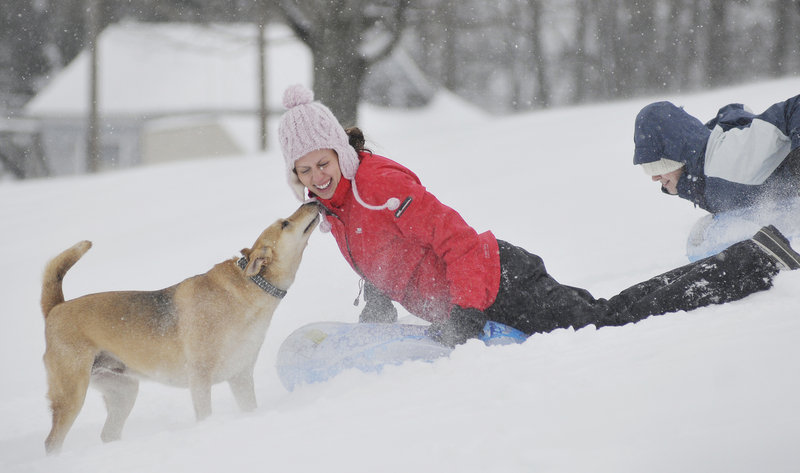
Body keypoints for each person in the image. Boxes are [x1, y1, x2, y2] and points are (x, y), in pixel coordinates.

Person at [278, 84, 800, 348]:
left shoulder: (377, 185)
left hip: (500, 281)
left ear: (339, 153)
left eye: (322, 163)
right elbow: (383, 250)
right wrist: (377, 295)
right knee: (602, 319)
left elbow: (457, 241)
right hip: (477, 297)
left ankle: (752, 262)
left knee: (608, 320)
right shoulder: (336, 206)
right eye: (304, 171)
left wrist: (465, 311)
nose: (316, 177)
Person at [632, 95, 800, 213]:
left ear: (676, 157)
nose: (654, 178)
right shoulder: (703, 180)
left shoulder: (724, 158)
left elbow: (795, 108)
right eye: (648, 170)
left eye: (657, 167)